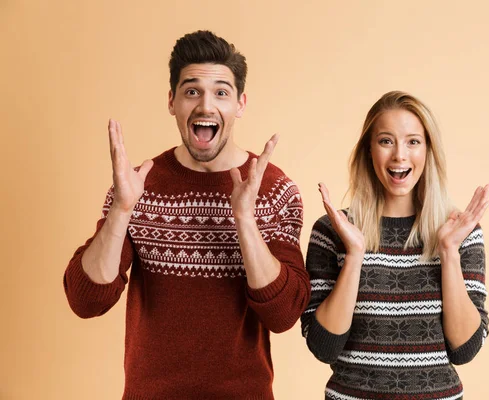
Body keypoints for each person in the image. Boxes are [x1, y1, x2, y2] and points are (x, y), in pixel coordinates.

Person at [63, 30, 310, 400]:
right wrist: (121, 211)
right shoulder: (138, 187)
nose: (206, 106)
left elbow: (284, 315)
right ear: (172, 102)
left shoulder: (274, 190)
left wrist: (244, 219)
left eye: (221, 93)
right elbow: (86, 301)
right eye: (192, 91)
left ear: (240, 104)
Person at [301, 91, 489, 400]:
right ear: (368, 150)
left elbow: (465, 349)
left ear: (429, 151)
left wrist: (449, 252)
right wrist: (354, 254)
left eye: (413, 141)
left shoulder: (460, 231)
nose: (400, 155)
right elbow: (324, 347)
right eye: (386, 141)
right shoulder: (332, 230)